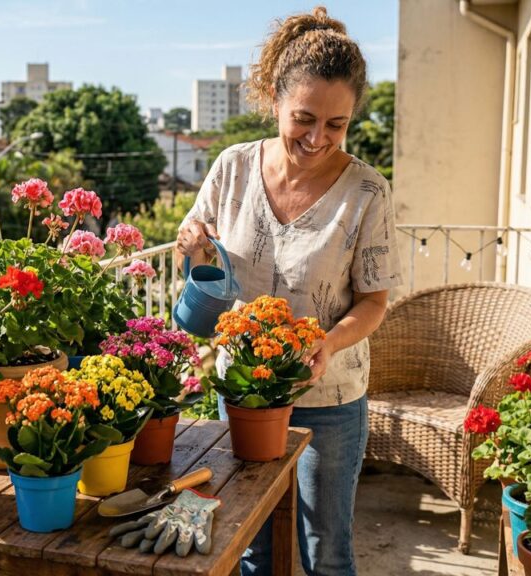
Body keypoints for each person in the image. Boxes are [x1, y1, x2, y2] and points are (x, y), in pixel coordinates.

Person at [176, 6, 402, 576]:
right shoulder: (231, 167)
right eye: (304, 118)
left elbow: (375, 301)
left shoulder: (369, 193)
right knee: (252, 540)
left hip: (329, 398)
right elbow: (199, 252)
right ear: (274, 99)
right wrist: (192, 243)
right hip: (244, 391)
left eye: (336, 125)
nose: (317, 137)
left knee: (326, 552)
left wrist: (326, 344)